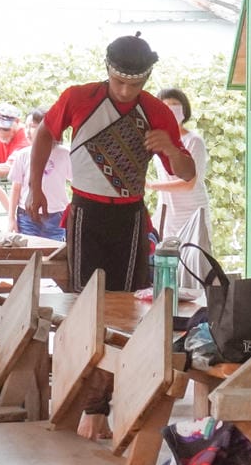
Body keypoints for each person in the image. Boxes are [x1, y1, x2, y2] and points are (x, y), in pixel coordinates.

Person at [29, 32, 194, 295]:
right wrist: (34, 186)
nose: (125, 91)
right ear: (107, 69)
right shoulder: (78, 97)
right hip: (86, 211)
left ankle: (124, 338)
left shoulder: (157, 112)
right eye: (119, 82)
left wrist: (172, 150)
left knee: (128, 297)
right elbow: (45, 133)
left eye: (136, 84)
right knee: (84, 296)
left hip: (130, 216)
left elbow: (187, 173)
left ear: (147, 79)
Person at [147, 88, 211, 241]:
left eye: (175, 104)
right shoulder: (158, 140)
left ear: (184, 109)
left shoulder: (194, 141)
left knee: (194, 260)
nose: (171, 109)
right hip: (168, 214)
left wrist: (151, 186)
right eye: (166, 106)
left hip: (193, 213)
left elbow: (189, 184)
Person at [7, 108, 70, 240]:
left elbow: (77, 183)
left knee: (54, 254)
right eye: (27, 126)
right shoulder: (22, 155)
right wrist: (11, 218)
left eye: (34, 127)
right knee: (29, 252)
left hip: (57, 216)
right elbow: (16, 188)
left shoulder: (65, 154)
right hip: (27, 215)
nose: (28, 131)